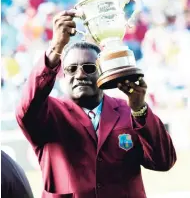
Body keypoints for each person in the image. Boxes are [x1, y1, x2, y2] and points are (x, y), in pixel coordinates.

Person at [16, 10, 177, 198]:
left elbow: (163, 161)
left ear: (103, 72)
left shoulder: (129, 111)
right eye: (72, 68)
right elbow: (26, 105)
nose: (80, 74)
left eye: (89, 68)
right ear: (62, 74)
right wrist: (55, 47)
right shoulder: (47, 113)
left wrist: (140, 109)